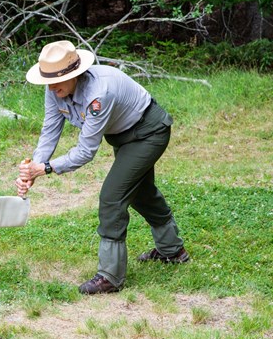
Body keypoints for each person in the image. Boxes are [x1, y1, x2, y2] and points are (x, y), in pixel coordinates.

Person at [16, 40, 189, 295]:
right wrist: (35, 166)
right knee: (141, 193)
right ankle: (173, 251)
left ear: (75, 74)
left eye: (57, 81)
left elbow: (86, 151)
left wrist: (47, 168)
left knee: (112, 197)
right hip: (124, 137)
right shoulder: (55, 88)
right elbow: (50, 129)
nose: (52, 87)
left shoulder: (99, 93)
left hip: (148, 133)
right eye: (48, 81)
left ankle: (110, 276)